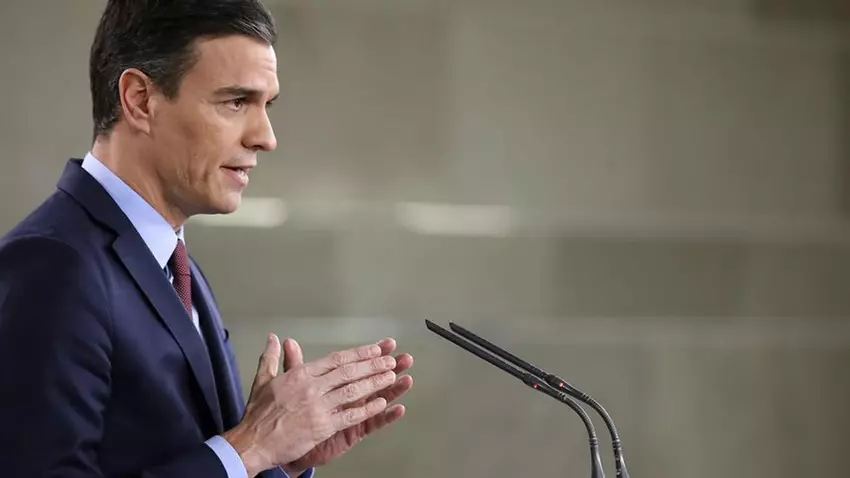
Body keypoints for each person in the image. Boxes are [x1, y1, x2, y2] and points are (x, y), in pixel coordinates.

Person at [0, 1, 414, 477]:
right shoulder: (51, 266)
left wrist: (279, 459)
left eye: (266, 105)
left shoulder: (175, 264)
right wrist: (251, 446)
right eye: (236, 102)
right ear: (139, 100)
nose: (266, 137)